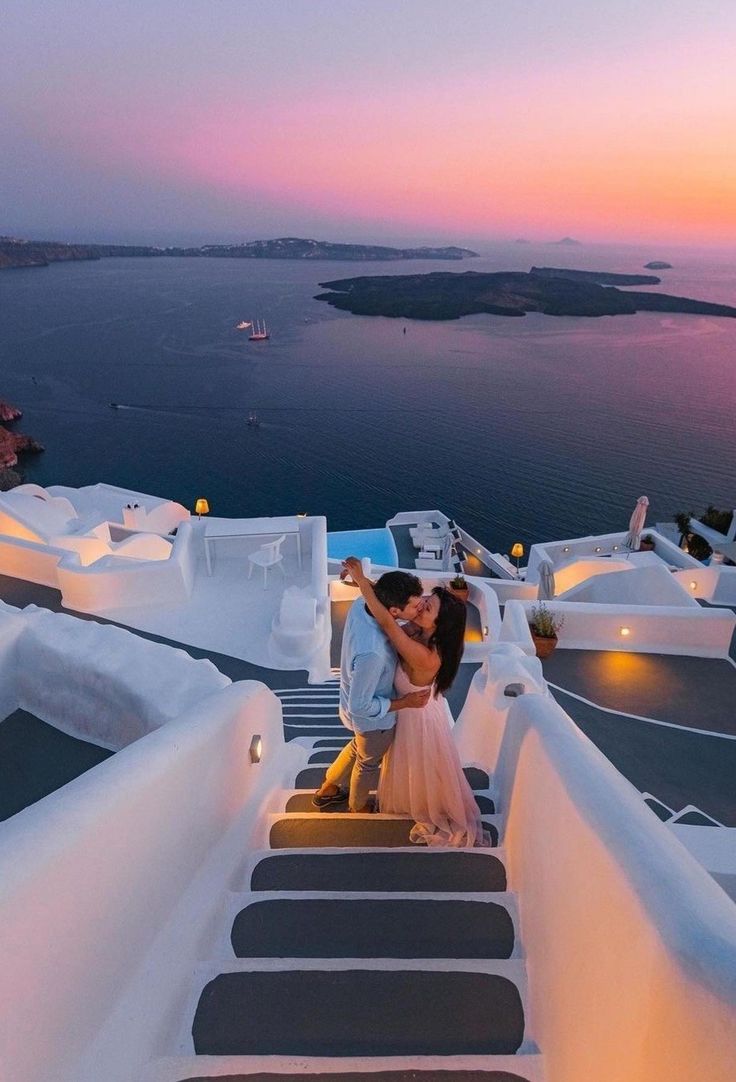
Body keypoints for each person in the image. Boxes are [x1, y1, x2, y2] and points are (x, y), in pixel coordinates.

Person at [342, 556, 488, 847]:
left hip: (415, 715)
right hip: (409, 709)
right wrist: (372, 585)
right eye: (424, 599)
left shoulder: (423, 653)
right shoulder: (419, 632)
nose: (421, 603)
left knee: (418, 769)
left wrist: (360, 580)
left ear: (439, 622)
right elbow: (387, 605)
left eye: (428, 606)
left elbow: (385, 618)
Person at [312, 570, 430, 813]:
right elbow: (361, 706)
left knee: (358, 747)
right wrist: (405, 702)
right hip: (373, 721)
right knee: (367, 763)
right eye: (416, 606)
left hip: (351, 706)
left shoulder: (362, 603)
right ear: (394, 612)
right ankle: (358, 806)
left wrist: (361, 580)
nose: (420, 609)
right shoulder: (372, 653)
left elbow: (375, 592)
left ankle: (329, 786)